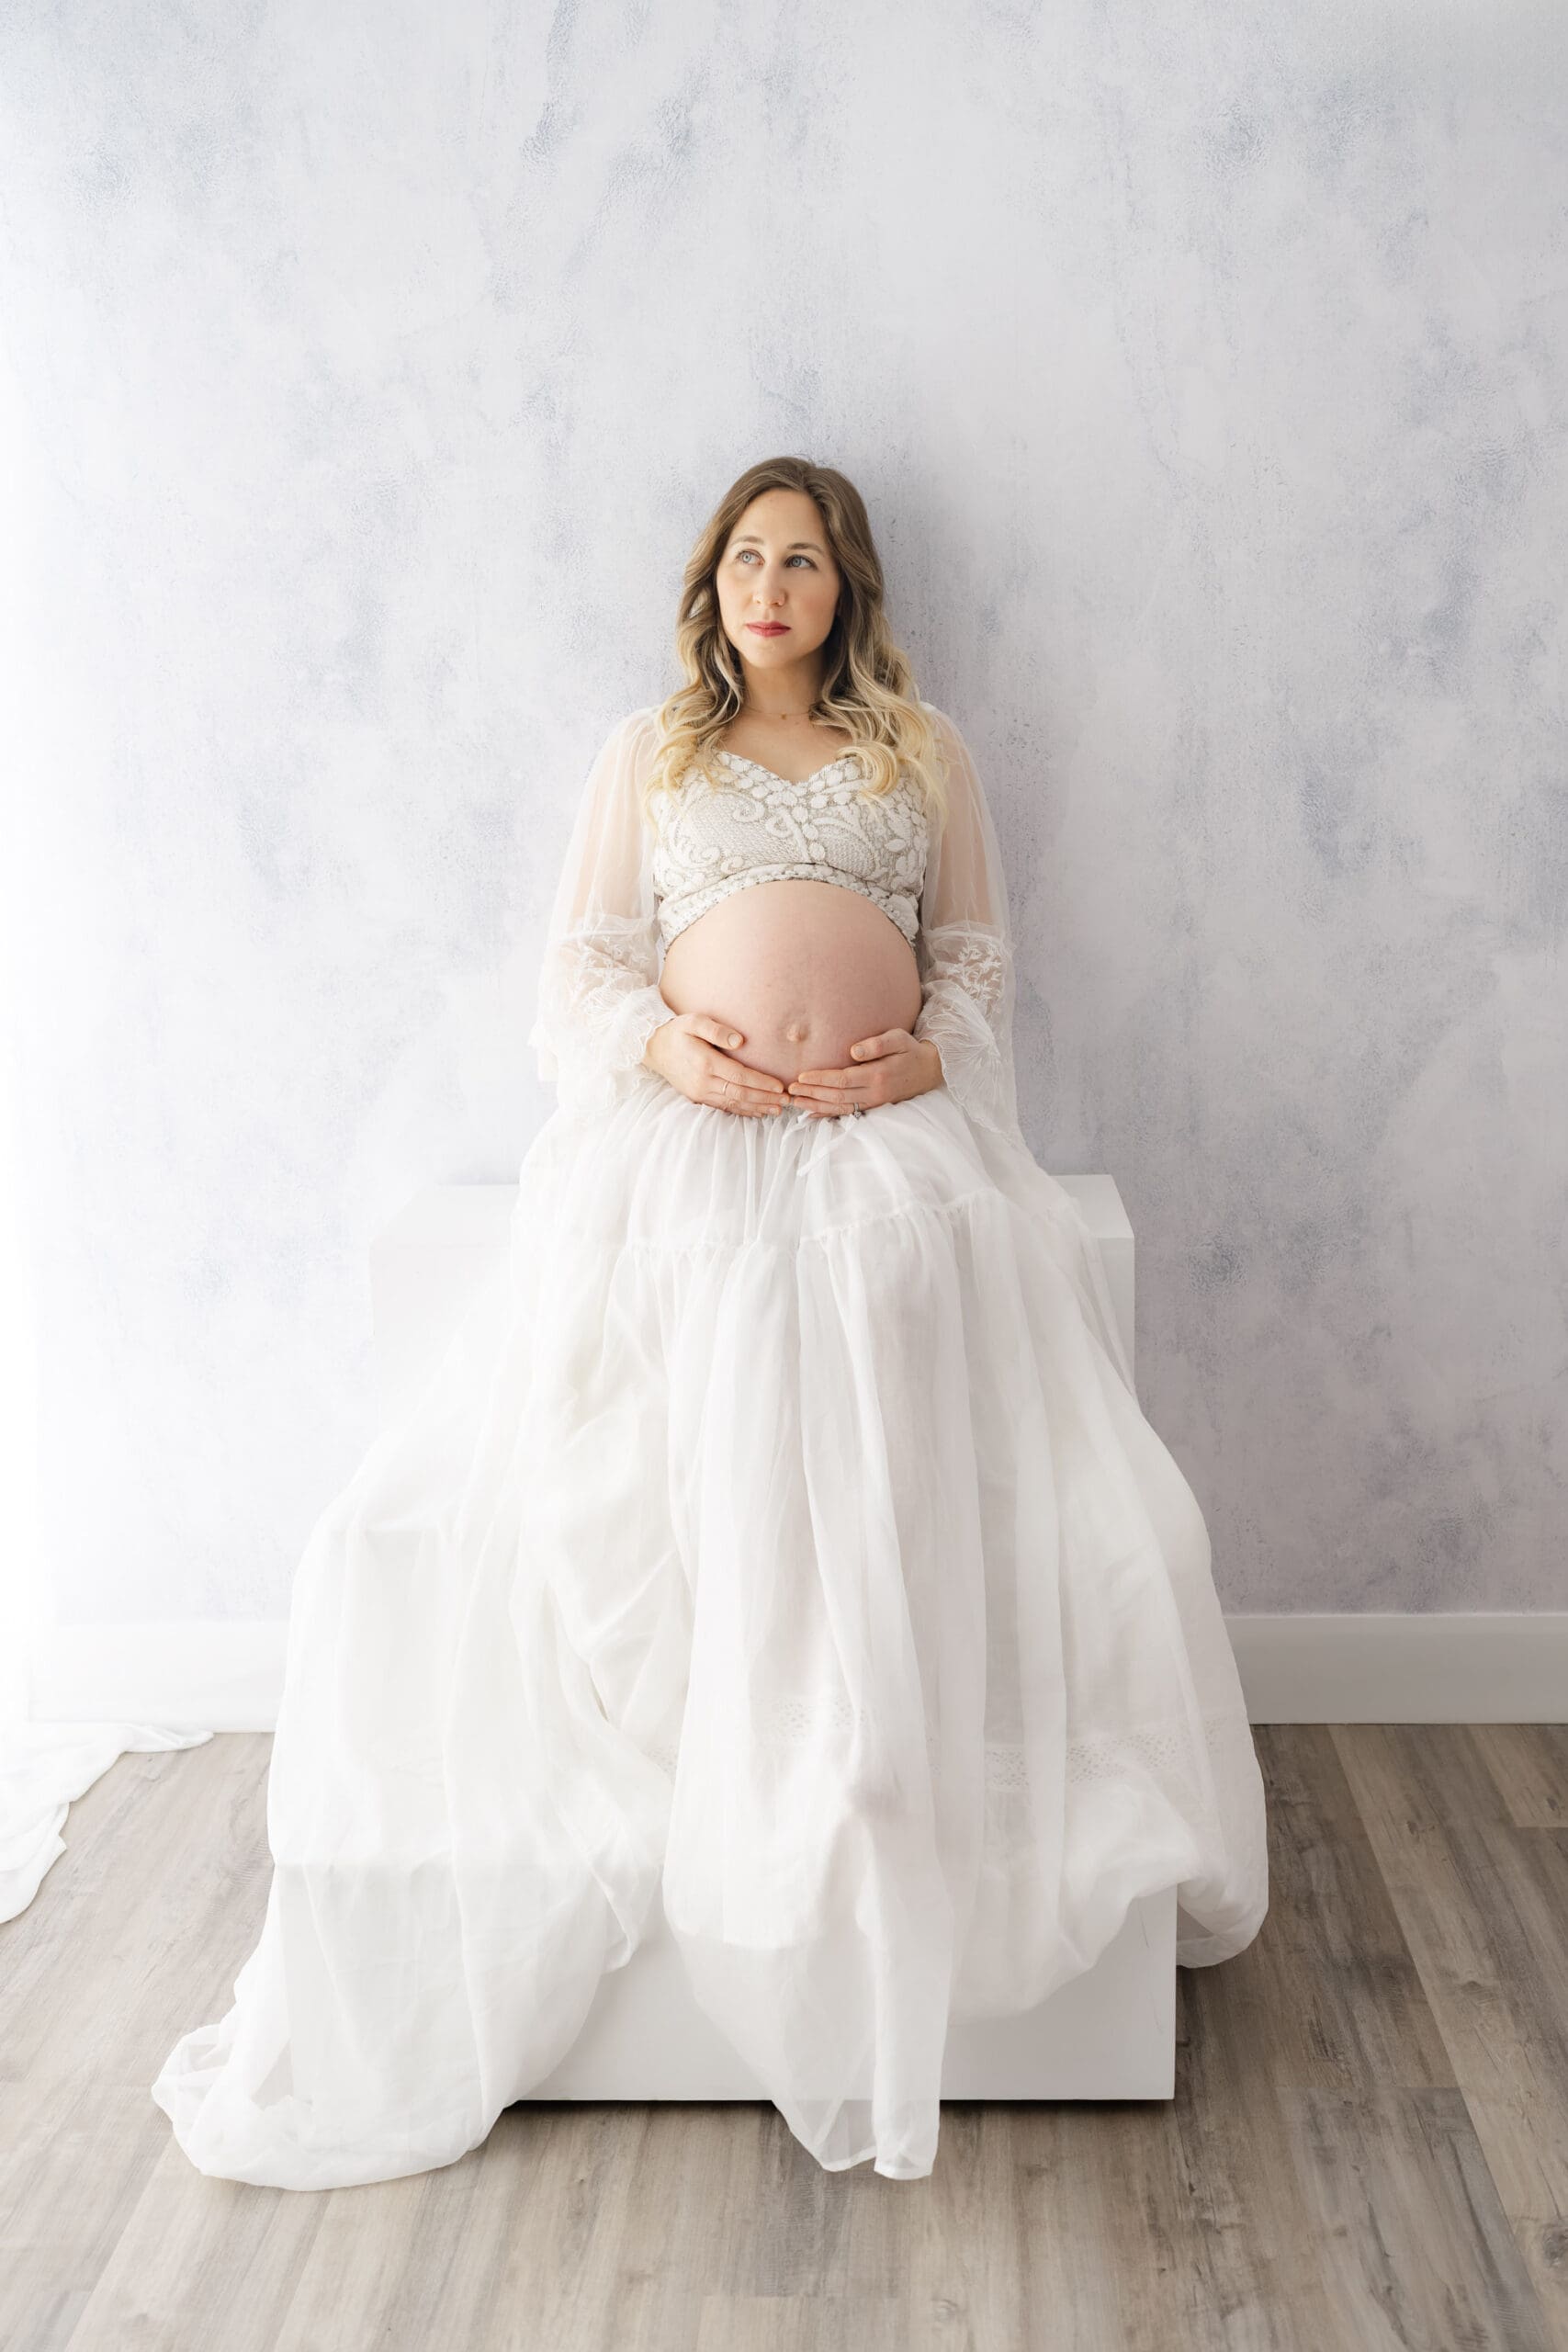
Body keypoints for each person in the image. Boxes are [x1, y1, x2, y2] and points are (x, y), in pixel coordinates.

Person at [152, 457, 1268, 2190]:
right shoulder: (648, 754)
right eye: (746, 556)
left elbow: (972, 959)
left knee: (912, 1344)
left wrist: (919, 1059)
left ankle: (866, 1744)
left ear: (847, 588)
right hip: (691, 1140)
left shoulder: (923, 751)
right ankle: (735, 1729)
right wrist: (668, 1048)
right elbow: (578, 974)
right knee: (684, 1388)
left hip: (882, 1137)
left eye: (803, 560)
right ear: (712, 583)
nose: (771, 585)